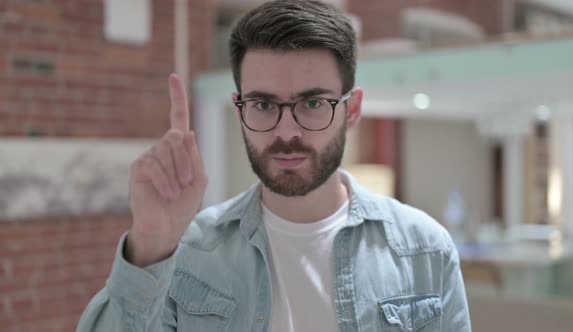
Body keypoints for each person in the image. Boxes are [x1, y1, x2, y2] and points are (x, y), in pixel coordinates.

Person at [77, 1, 471, 331]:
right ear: (240, 109)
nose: (287, 131)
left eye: (313, 103)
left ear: (351, 110)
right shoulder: (189, 254)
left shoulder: (425, 251)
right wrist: (149, 244)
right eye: (264, 105)